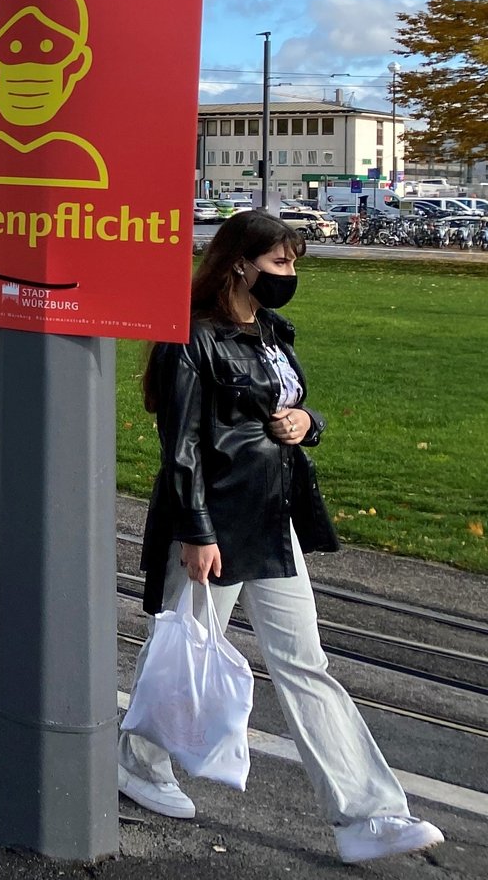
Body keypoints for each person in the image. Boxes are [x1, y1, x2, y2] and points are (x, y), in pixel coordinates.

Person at [125, 211, 443, 864]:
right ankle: (136, 760)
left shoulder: (269, 330)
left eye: (294, 264)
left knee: (304, 662)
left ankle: (366, 815)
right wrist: (197, 530)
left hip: (273, 516)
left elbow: (289, 404)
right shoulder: (193, 337)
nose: (289, 275)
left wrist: (308, 420)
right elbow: (179, 447)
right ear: (239, 262)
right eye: (279, 263)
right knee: (188, 649)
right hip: (215, 520)